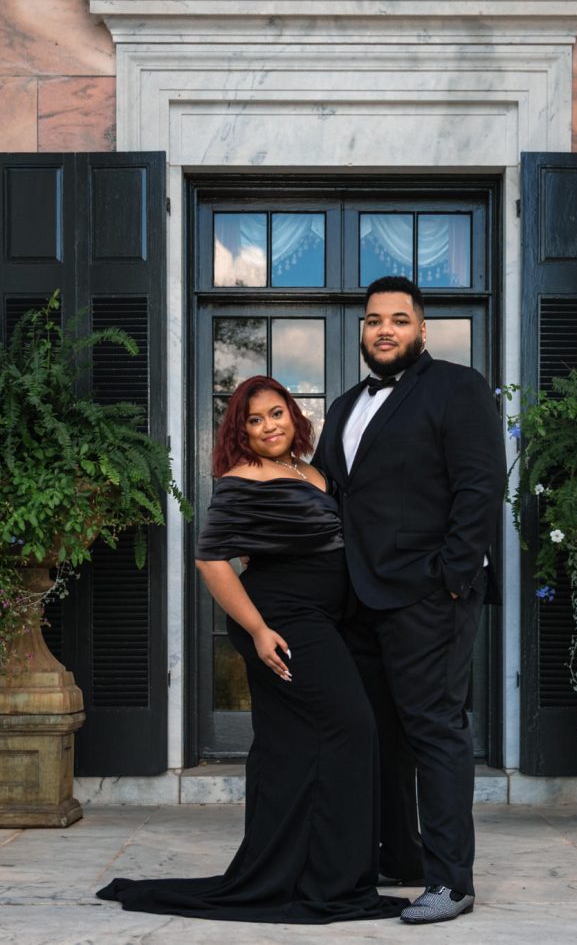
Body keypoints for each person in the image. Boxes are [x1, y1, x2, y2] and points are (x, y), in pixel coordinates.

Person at [96, 375, 406, 924]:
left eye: (275, 413)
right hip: (283, 622)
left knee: (292, 747)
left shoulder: (310, 470)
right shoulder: (241, 479)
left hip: (320, 620)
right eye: (254, 420)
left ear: (293, 413)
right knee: (352, 728)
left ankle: (310, 870)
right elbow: (210, 559)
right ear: (240, 432)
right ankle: (328, 880)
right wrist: (259, 630)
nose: (268, 427)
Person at [312, 276, 506, 925]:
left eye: (398, 319)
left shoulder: (457, 387)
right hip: (358, 600)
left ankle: (451, 882)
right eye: (374, 320)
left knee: (434, 730)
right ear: (362, 331)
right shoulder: (345, 405)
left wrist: (452, 576)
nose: (385, 329)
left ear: (422, 329)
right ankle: (403, 857)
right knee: (378, 735)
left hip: (428, 595)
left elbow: (480, 486)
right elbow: (329, 496)